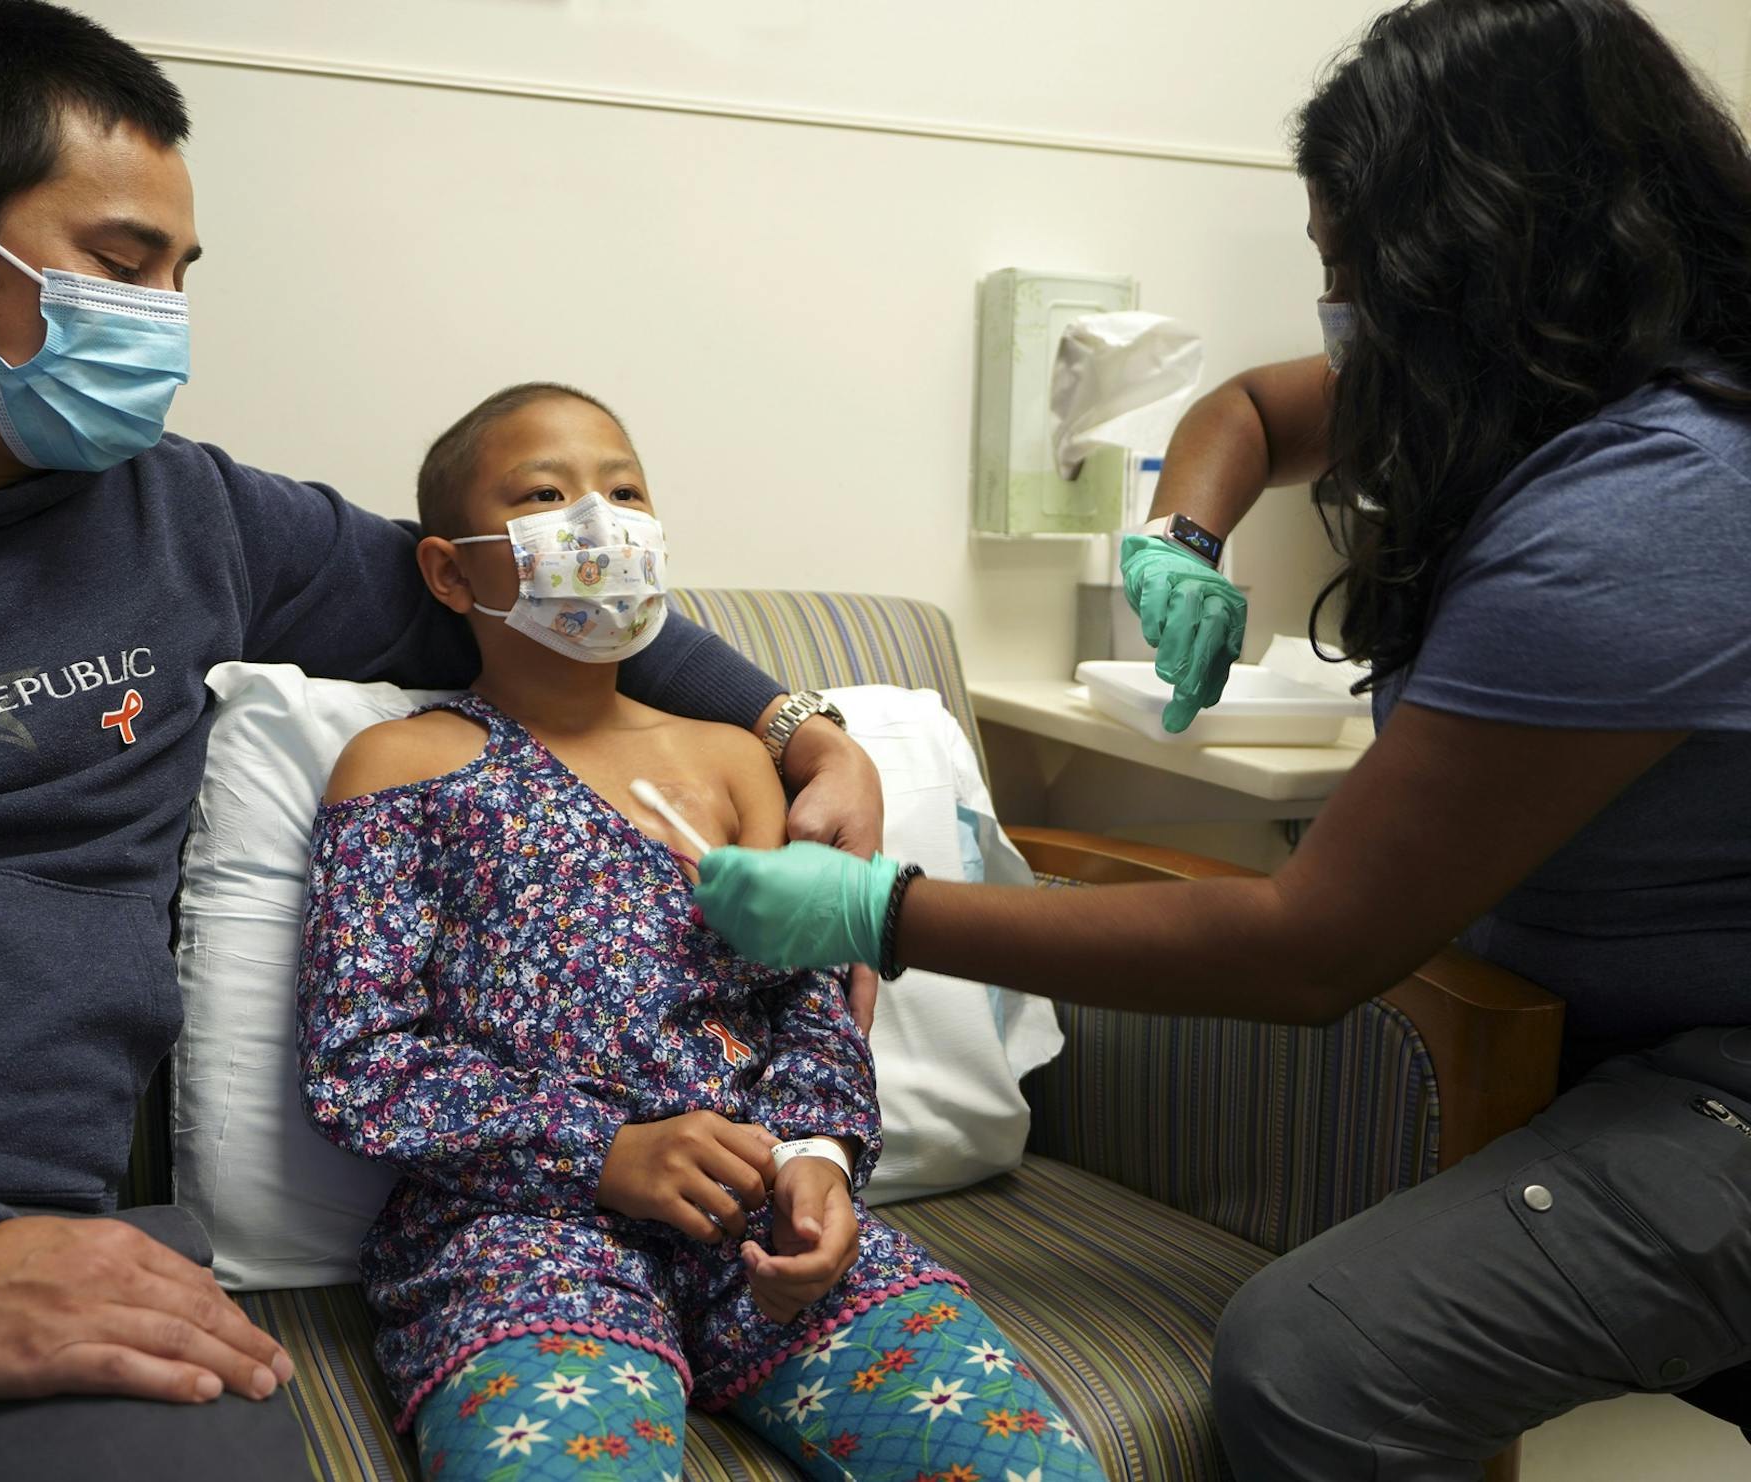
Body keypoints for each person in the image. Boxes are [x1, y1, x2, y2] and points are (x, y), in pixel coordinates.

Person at [0, 3, 883, 1477]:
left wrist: (800, 724)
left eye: (180, 276)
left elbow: (516, 589)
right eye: (121, 264)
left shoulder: (186, 517)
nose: (165, 322)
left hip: (48, 1292)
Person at [694, 1, 1751, 1477]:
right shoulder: (1547, 382)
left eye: (1352, 274)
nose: (1338, 315)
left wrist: (890, 912)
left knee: (1321, 1362)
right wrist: (1180, 535)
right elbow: (1252, 405)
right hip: (1581, 1028)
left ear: (1473, 256)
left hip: (1712, 1075)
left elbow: (1307, 948)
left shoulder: (1652, 510)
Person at [297, 382, 1109, 1482]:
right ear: (450, 570)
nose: (599, 521)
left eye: (625, 491)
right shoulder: (402, 766)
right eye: (544, 495)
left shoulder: (731, 761)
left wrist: (819, 1159)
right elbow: (361, 1061)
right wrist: (603, 1153)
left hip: (758, 1216)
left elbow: (806, 1001)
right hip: (518, 1240)